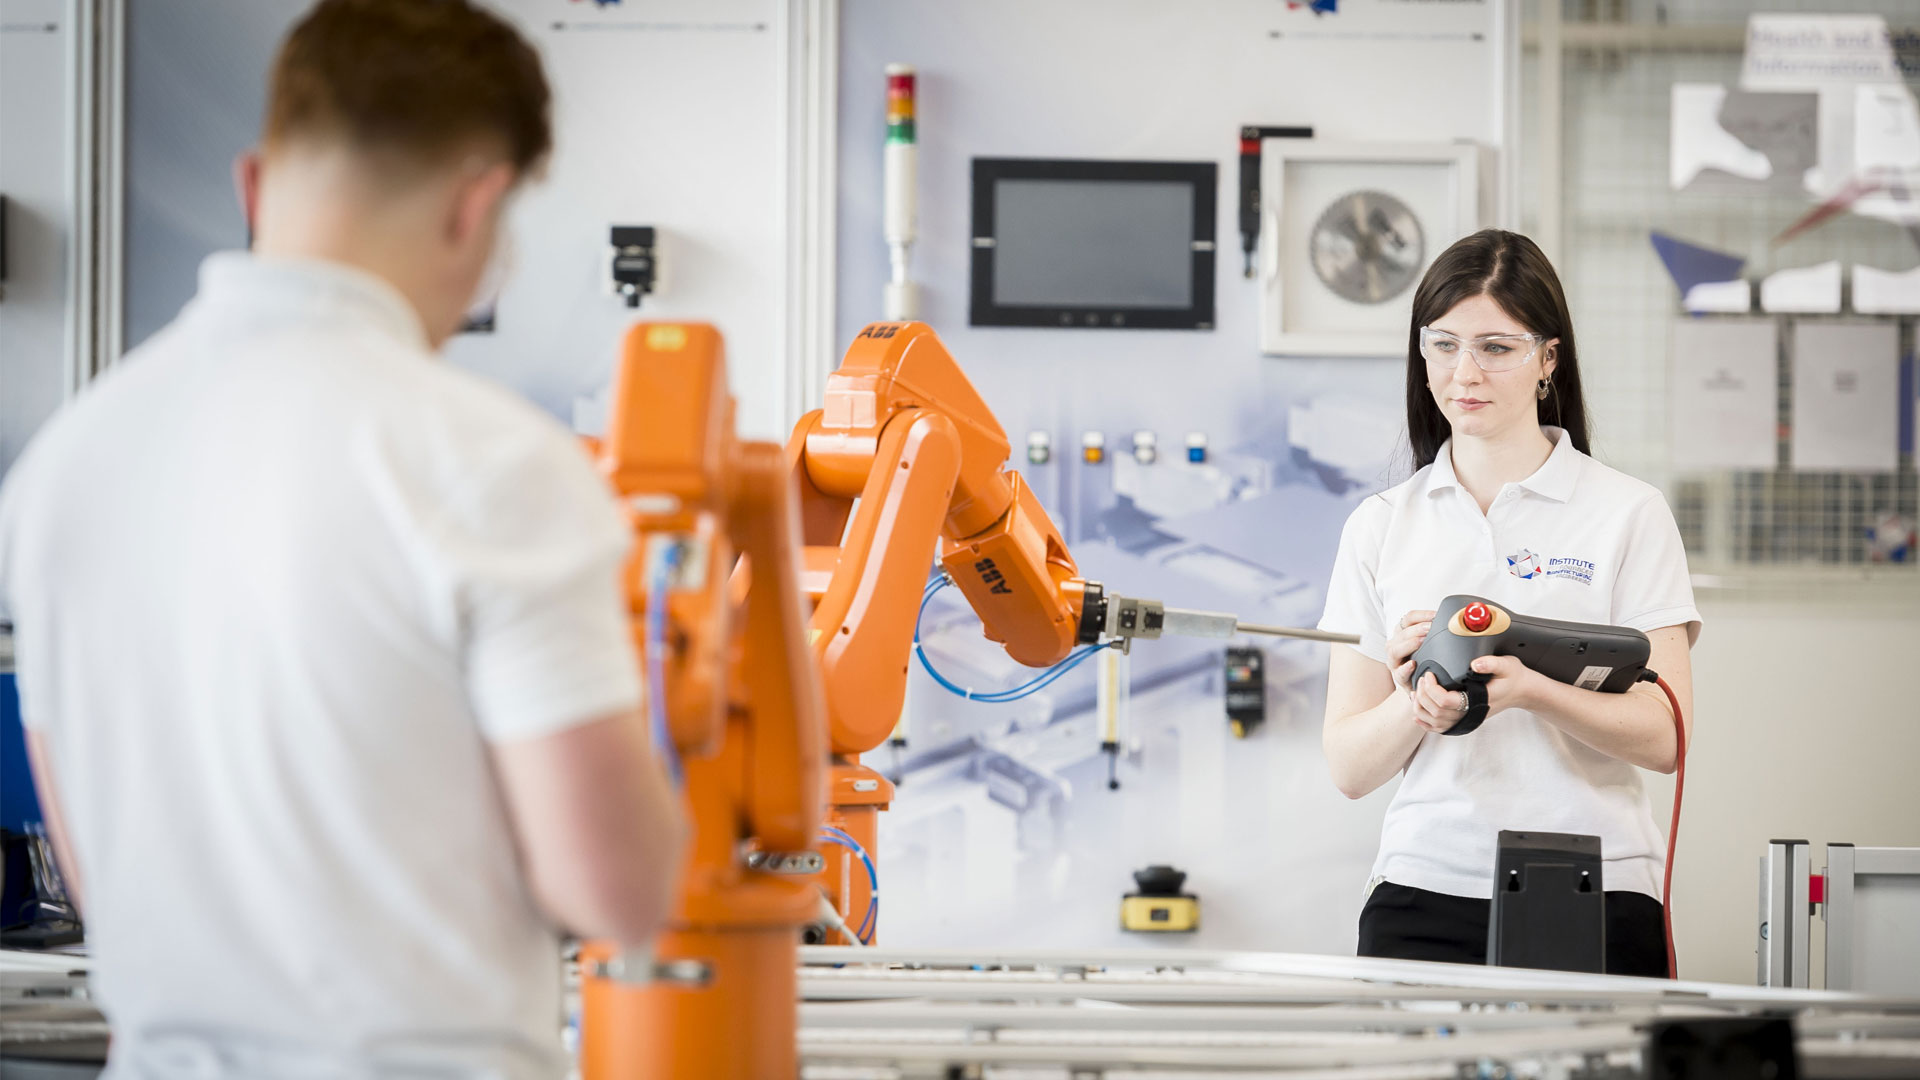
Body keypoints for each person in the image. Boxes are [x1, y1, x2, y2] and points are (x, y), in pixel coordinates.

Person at [0, 2, 684, 1076]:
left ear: (253, 185)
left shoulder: (64, 466)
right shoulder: (491, 462)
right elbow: (613, 889)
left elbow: (92, 858)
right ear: (479, 205)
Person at [1318, 229, 1698, 978]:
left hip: (1597, 882)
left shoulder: (1627, 512)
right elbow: (1349, 767)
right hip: (1425, 886)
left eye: (1497, 347)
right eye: (1444, 344)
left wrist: (1529, 689)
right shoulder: (1382, 524)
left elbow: (1667, 739)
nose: (1466, 372)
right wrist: (1414, 704)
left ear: (1548, 359)